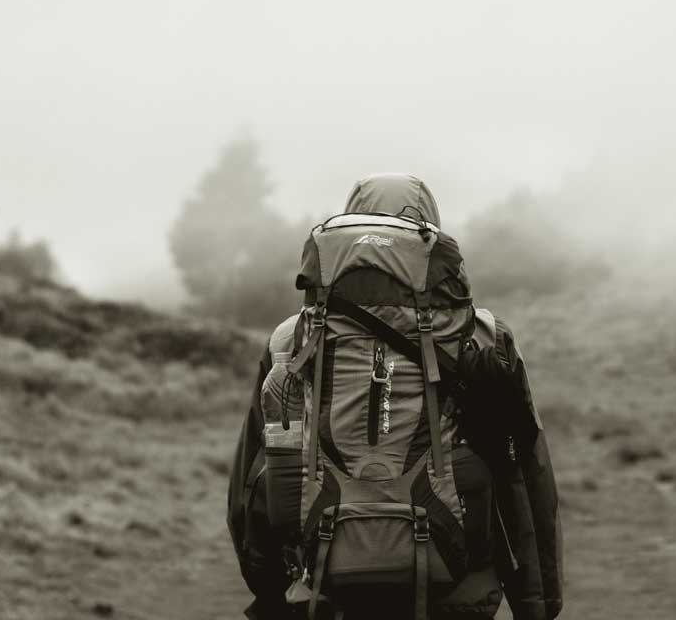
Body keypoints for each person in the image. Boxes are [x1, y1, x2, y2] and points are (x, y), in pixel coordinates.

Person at [226, 174, 562, 620]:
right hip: (458, 594)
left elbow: (253, 478)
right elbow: (525, 471)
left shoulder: (290, 341)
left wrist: (270, 588)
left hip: (324, 589)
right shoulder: (480, 336)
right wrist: (538, 603)